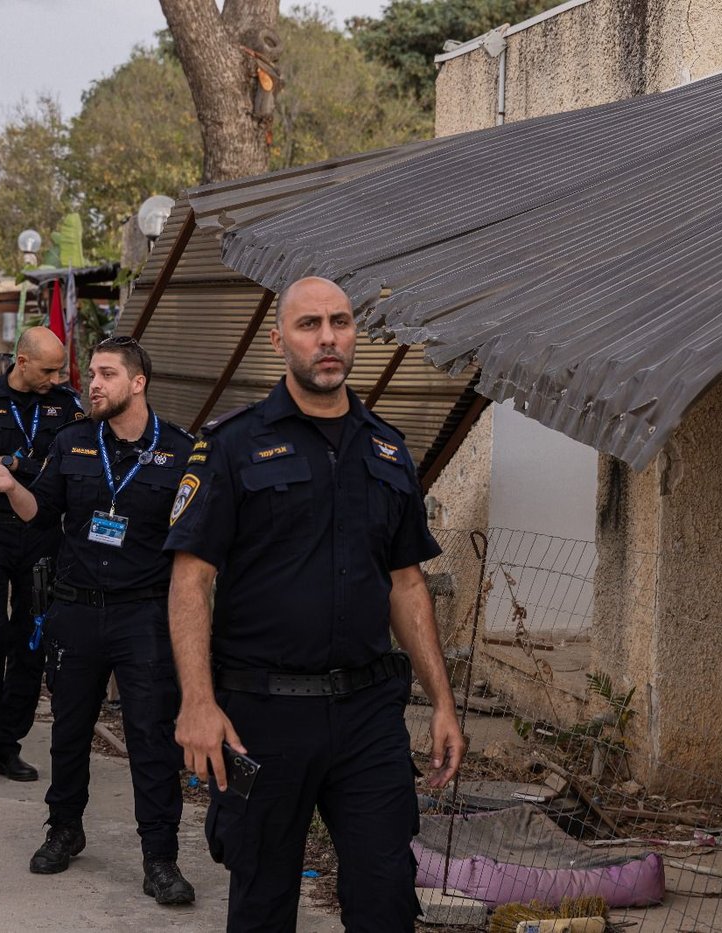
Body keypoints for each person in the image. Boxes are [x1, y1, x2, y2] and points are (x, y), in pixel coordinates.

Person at [164, 277, 466, 932]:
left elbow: (407, 582)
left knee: (386, 896)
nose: (327, 337)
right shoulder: (231, 446)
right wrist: (196, 701)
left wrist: (442, 702)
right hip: (261, 716)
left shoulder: (387, 450)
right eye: (309, 325)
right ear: (279, 340)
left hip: (367, 719)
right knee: (263, 900)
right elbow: (191, 580)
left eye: (340, 321)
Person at [0, 336, 196, 904]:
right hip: (75, 610)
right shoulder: (72, 442)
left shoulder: (184, 451)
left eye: (107, 374)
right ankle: (64, 828)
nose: (92, 383)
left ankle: (159, 857)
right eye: (91, 373)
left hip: (144, 615)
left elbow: (195, 543)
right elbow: (42, 515)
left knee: (150, 736)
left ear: (137, 383)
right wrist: (11, 485)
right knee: (68, 732)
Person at [0, 326, 82, 784]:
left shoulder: (65, 405)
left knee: (32, 638)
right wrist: (30, 466)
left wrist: (10, 464)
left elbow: (63, 468)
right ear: (21, 363)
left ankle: (10, 742)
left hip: (41, 533)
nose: (56, 376)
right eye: (48, 369)